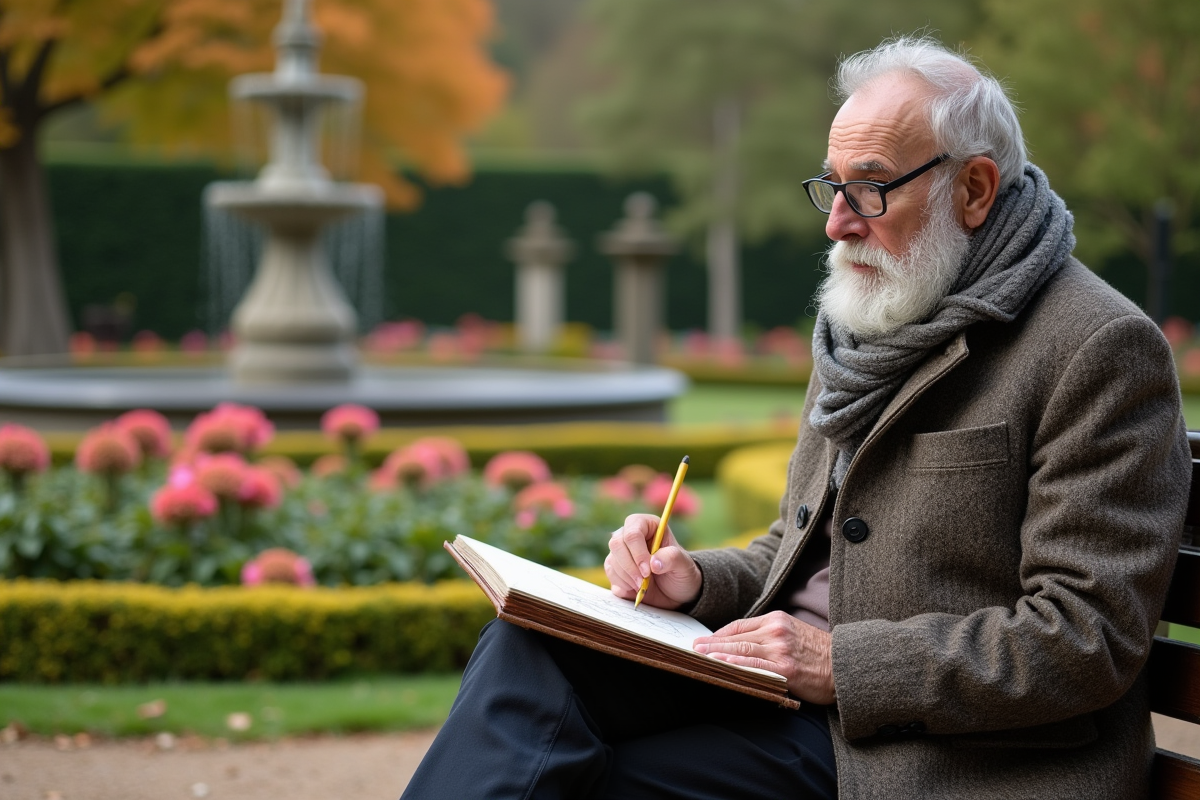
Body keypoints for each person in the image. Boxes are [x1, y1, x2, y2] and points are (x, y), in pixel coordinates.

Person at [401, 35, 1191, 799]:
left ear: (975, 189)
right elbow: (801, 547)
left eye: (871, 188)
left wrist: (839, 664)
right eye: (831, 185)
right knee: (530, 646)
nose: (837, 222)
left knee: (602, 781)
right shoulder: (873, 319)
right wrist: (698, 580)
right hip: (794, 703)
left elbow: (1085, 636)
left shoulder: (1098, 347)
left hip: (950, 757)